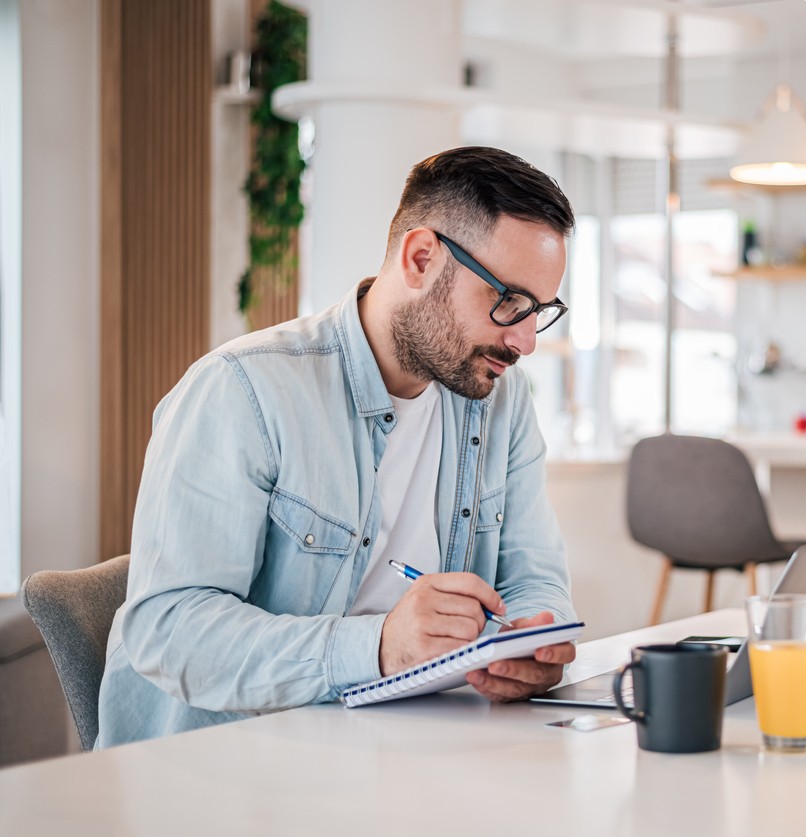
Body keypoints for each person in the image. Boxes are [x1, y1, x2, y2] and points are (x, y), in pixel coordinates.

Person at [97, 146, 578, 747]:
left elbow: (535, 578)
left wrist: (535, 639)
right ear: (422, 257)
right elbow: (169, 631)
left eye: (541, 311)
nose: (525, 341)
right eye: (509, 302)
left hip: (399, 747)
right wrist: (378, 646)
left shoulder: (500, 400)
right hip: (224, 767)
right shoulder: (243, 390)